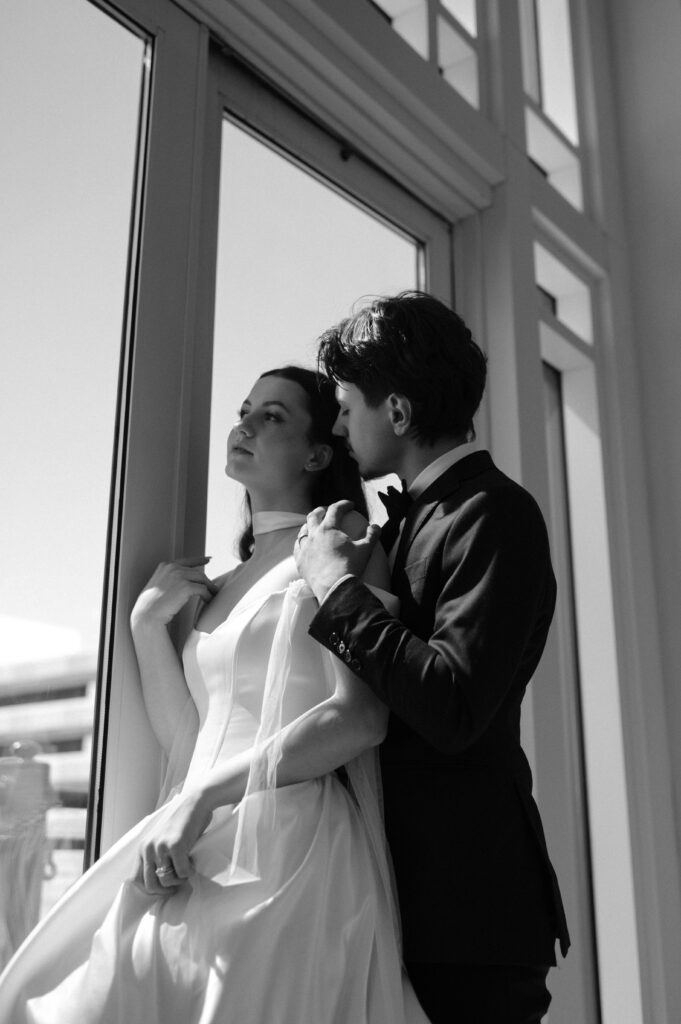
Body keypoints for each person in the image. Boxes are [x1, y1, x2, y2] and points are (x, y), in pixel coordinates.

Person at [0, 366, 430, 1023]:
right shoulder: (220, 582)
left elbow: (360, 719)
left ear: (318, 453)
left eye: (273, 416)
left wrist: (205, 798)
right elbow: (189, 743)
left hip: (288, 852)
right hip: (188, 845)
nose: (245, 424)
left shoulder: (341, 554)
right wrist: (148, 626)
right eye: (244, 410)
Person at [294, 292, 571, 1024]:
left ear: (398, 413)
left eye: (348, 405)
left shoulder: (493, 513)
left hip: (466, 916)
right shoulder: (413, 520)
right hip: (394, 900)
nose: (338, 424)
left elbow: (450, 707)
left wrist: (333, 587)